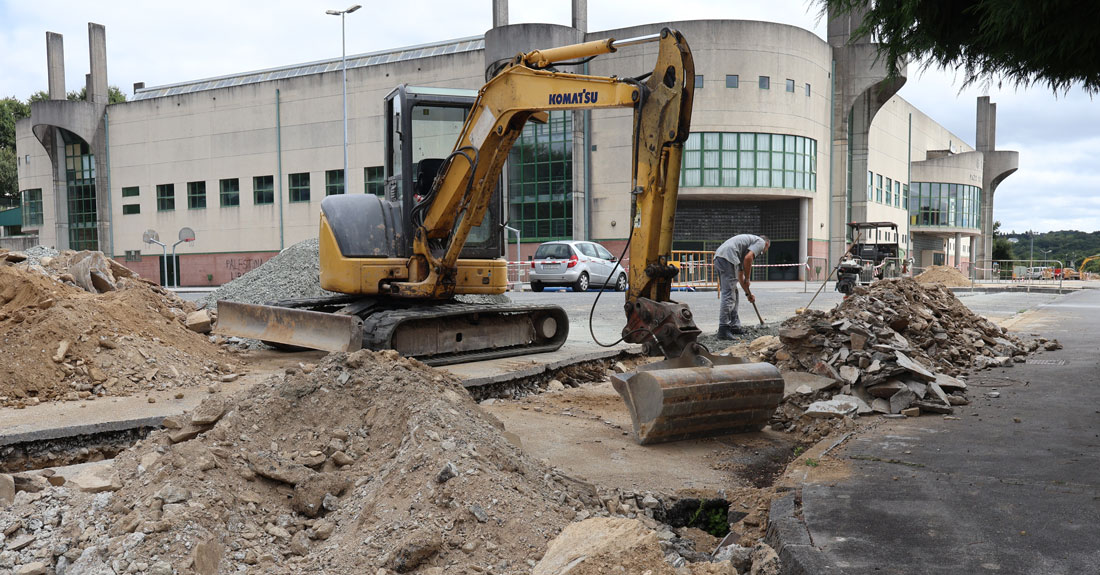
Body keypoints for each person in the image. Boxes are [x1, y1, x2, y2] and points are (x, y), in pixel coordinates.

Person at [713, 233, 770, 339]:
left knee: (733, 292)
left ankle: (734, 326)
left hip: (721, 257)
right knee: (729, 294)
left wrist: (748, 294)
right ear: (766, 244)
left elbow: (740, 275)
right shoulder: (761, 242)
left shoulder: (742, 250)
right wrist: (748, 278)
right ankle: (723, 329)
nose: (764, 252)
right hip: (727, 258)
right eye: (766, 249)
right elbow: (749, 259)